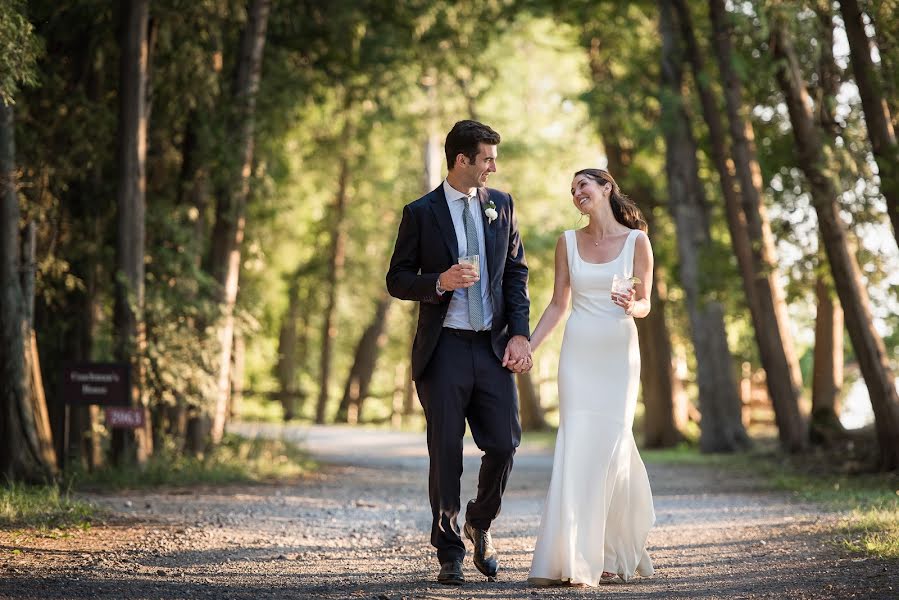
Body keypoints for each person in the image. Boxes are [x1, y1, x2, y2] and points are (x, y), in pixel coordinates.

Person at [386, 120, 532, 586]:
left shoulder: (501, 205)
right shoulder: (421, 212)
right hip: (444, 347)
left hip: (492, 347)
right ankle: (448, 551)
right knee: (445, 451)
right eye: (487, 158)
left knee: (505, 444)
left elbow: (515, 273)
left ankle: (479, 523)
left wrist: (520, 335)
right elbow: (397, 278)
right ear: (462, 160)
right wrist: (438, 283)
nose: (494, 166)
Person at [526, 168, 655, 587]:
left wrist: (631, 304)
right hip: (578, 354)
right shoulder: (567, 241)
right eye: (572, 188)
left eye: (584, 184)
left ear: (606, 189)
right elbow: (558, 303)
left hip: (618, 352)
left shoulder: (637, 241)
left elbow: (646, 303)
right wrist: (529, 345)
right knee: (577, 446)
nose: (577, 191)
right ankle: (572, 557)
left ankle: (610, 555)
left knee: (612, 447)